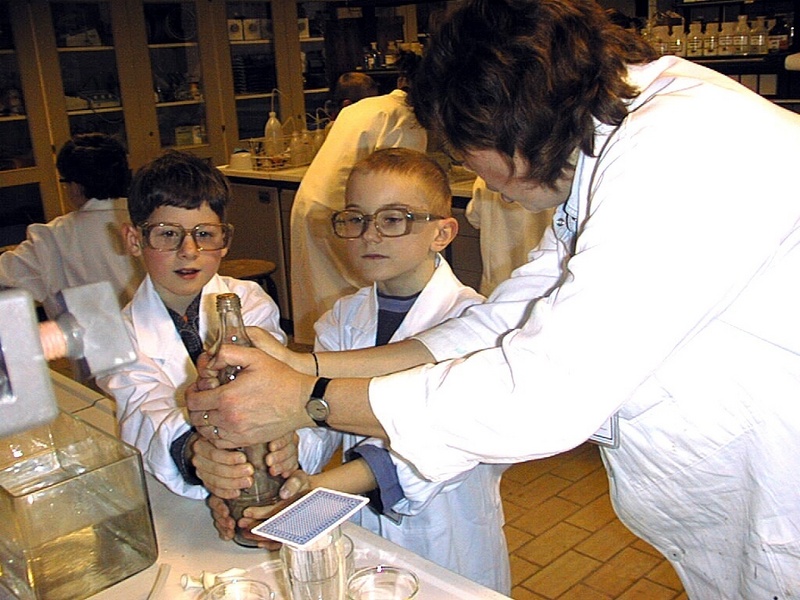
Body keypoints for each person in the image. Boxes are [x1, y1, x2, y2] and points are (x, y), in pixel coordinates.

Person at [186, 0, 800, 597]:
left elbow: (544, 392)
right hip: (744, 511)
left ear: (503, 121)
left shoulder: (688, 147)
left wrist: (311, 401)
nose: (475, 173)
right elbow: (503, 325)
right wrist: (308, 368)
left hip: (780, 505)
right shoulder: (614, 145)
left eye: (462, 151)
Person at [207, 149, 511, 593]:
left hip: (449, 542)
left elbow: (437, 449)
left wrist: (314, 493)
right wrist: (280, 461)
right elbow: (312, 416)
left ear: (442, 232)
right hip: (365, 533)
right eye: (356, 219)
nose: (370, 235)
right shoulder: (342, 319)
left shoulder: (476, 324)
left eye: (393, 219)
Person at [95, 150, 288, 499]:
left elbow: (267, 394)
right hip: (175, 484)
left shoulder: (251, 303)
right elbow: (142, 413)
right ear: (134, 240)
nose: (189, 250)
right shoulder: (115, 334)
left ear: (225, 241)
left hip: (259, 473)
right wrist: (194, 452)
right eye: (168, 234)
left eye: (205, 234)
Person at [289, 54, 428, 345]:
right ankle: (350, 361)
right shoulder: (408, 119)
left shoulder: (369, 105)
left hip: (314, 201)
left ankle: (325, 354)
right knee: (358, 293)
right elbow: (401, 179)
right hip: (344, 212)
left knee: (322, 291)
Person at [0, 133, 144, 308]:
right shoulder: (151, 220)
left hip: (85, 334)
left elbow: (6, 277)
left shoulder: (53, 237)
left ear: (75, 187)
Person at [465, 176, 552, 296]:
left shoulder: (486, 174)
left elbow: (474, 218)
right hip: (544, 284)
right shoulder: (557, 177)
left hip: (498, 282)